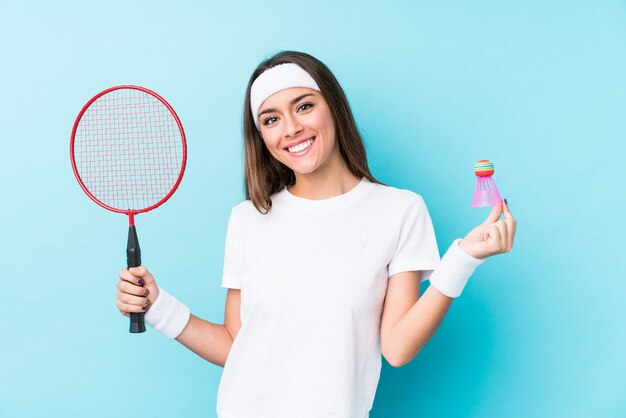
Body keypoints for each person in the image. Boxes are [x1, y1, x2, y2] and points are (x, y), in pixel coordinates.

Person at [116, 51, 517, 418]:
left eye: (304, 106)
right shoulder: (248, 219)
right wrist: (156, 306)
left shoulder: (399, 210)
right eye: (271, 119)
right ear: (262, 137)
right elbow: (237, 345)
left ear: (334, 108)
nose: (290, 128)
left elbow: (396, 347)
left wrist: (462, 260)